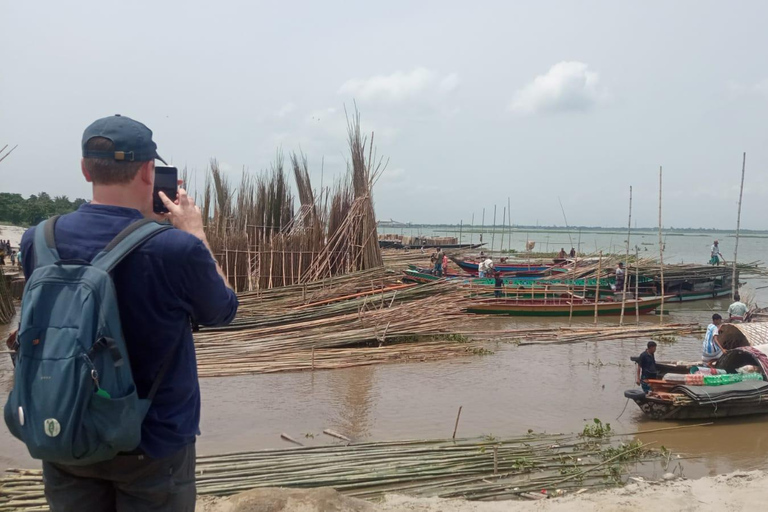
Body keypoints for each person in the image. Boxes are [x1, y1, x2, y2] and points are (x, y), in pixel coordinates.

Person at [16, 115, 238, 511]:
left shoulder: (39, 239)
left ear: (85, 169)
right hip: (152, 441)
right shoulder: (176, 248)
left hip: (65, 426)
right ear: (150, 171)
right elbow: (222, 311)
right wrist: (195, 234)